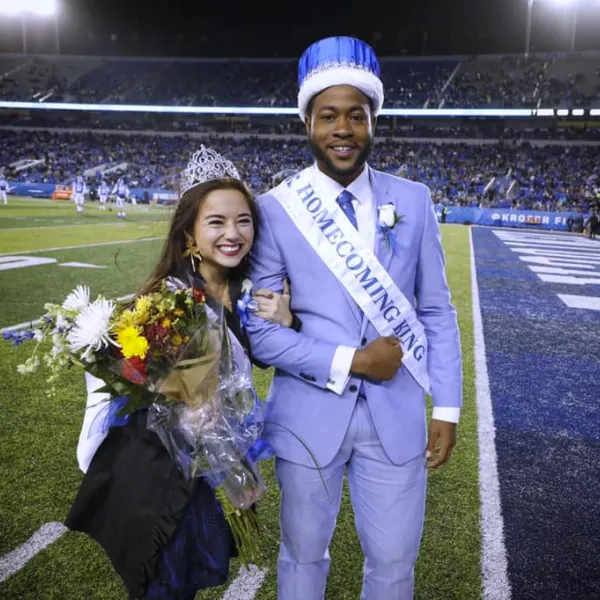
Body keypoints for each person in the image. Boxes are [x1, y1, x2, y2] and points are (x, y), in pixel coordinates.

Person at [246, 36, 463, 600]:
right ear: (307, 124)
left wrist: (447, 405)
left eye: (356, 115)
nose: (343, 128)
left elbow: (437, 309)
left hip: (397, 421)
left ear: (373, 122)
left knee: (393, 566)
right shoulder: (272, 209)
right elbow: (262, 333)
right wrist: (354, 360)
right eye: (328, 116)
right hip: (305, 415)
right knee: (301, 556)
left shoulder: (413, 200)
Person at [66, 146, 297, 600]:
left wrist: (288, 322)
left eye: (243, 220)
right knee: (163, 584)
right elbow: (132, 378)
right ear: (189, 232)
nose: (233, 233)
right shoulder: (167, 301)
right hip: (159, 478)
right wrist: (187, 406)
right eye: (216, 222)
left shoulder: (247, 293)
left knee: (188, 582)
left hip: (207, 475)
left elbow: (262, 356)